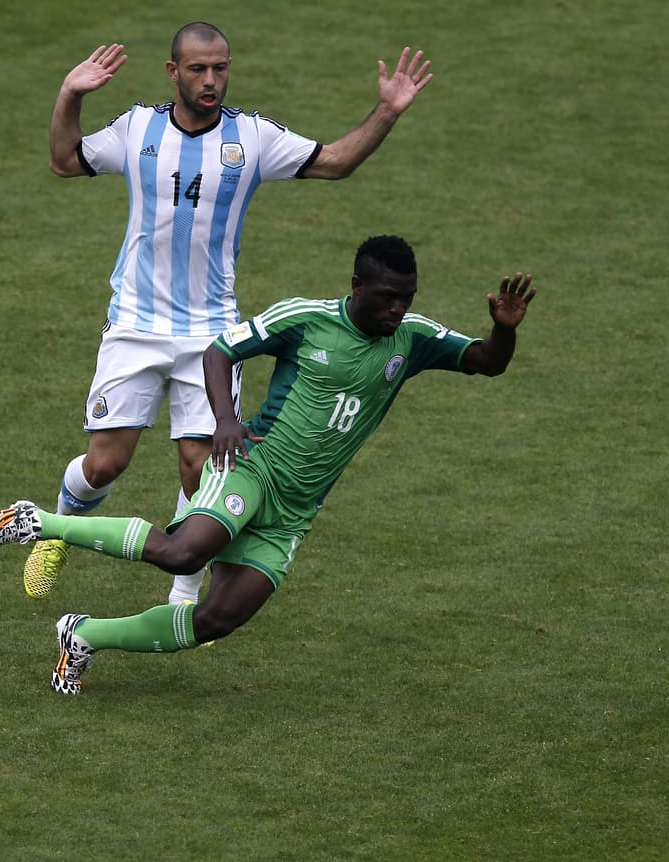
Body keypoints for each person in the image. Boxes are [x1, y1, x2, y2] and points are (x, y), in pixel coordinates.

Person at [0, 235, 536, 695]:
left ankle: (82, 636)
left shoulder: (413, 340)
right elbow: (221, 350)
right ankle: (37, 521)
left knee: (217, 619)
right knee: (182, 552)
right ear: (357, 287)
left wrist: (504, 329)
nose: (400, 309)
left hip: (295, 511)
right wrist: (225, 419)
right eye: (390, 297)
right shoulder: (307, 318)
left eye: (407, 298)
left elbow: (486, 362)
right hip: (254, 467)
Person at [28, 22, 434, 608]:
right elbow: (65, 161)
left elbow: (336, 162)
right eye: (198, 69)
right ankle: (56, 529)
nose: (211, 79)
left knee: (200, 468)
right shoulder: (138, 126)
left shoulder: (254, 137)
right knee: (105, 464)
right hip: (135, 323)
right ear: (174, 73)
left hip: (211, 333)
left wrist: (387, 111)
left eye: (220, 67)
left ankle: (180, 598)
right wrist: (71, 94)